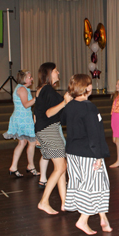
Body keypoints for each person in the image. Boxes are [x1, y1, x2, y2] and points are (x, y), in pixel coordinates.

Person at [61, 74, 112, 235]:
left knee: (98, 183)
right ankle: (83, 220)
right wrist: (98, 156)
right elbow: (94, 133)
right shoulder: (89, 107)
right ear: (86, 87)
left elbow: (64, 121)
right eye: (89, 84)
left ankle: (103, 218)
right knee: (94, 186)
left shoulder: (70, 105)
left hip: (72, 152)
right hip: (88, 152)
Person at [35, 62, 70, 215]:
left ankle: (64, 202)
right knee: (61, 167)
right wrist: (65, 101)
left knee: (61, 166)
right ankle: (44, 201)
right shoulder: (47, 89)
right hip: (49, 130)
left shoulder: (44, 90)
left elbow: (38, 114)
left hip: (49, 129)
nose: (58, 72)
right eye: (55, 70)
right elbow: (48, 113)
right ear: (48, 73)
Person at [3, 70, 38, 177]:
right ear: (24, 79)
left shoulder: (22, 88)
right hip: (23, 119)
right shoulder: (22, 89)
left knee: (22, 143)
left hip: (21, 118)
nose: (32, 79)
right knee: (31, 142)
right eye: (30, 77)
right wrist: (37, 98)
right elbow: (26, 105)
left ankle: (14, 167)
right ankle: (30, 166)